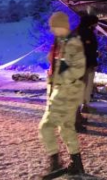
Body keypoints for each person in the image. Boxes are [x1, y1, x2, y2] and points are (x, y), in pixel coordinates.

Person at [38, 12, 86, 178]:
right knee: (66, 128)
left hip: (67, 91)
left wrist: (61, 78)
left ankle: (55, 163)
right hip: (62, 91)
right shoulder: (61, 42)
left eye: (54, 27)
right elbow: (60, 65)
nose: (52, 30)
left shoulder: (73, 43)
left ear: (61, 26)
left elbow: (79, 68)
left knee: (45, 126)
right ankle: (76, 163)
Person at [75, 15, 99, 133]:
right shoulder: (85, 33)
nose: (96, 26)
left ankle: (78, 117)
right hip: (83, 65)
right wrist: (92, 61)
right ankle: (76, 121)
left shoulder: (78, 31)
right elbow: (87, 50)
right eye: (95, 23)